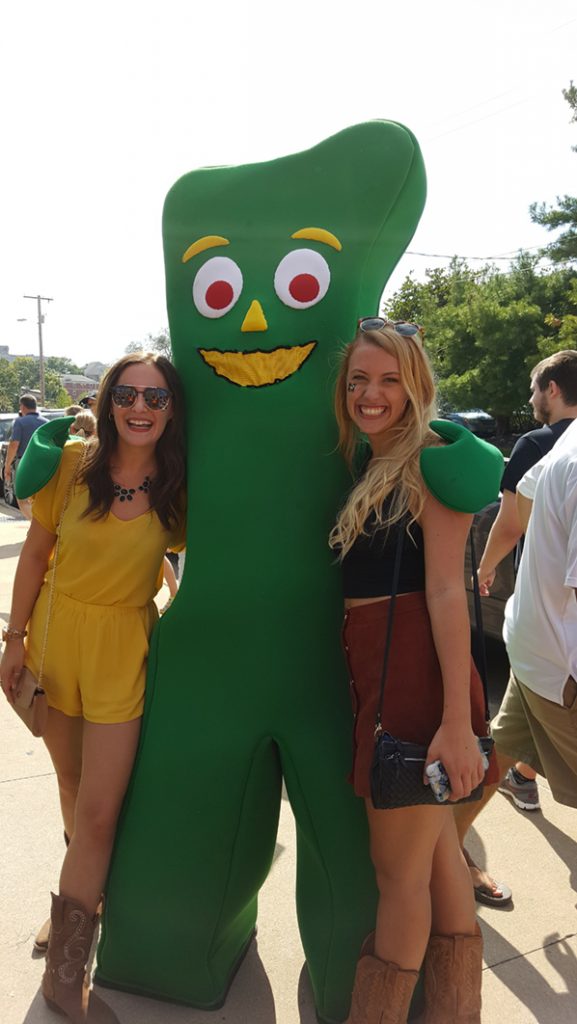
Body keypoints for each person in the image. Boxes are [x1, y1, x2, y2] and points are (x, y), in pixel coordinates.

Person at [0, 353, 186, 1024]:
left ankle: (65, 975)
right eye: (128, 393)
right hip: (55, 643)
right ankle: (82, 902)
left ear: (171, 409)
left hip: (122, 652)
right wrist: (13, 638)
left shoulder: (179, 486)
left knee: (101, 811)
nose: (141, 406)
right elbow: (36, 554)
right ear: (109, 402)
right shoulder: (73, 465)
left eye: (156, 397)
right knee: (72, 786)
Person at [329, 320, 497, 1024]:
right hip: (383, 667)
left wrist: (455, 723)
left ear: (415, 384)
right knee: (436, 863)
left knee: (397, 876)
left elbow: (445, 593)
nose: (370, 393)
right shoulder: (376, 459)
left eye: (389, 379)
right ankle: (453, 1014)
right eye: (358, 380)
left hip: (414, 678)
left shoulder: (426, 460)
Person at [456, 349, 577, 906]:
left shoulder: (545, 450)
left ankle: (438, 851)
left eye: (535, 390)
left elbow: (510, 519)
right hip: (557, 650)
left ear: (551, 388)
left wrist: (483, 570)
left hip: (531, 632)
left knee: (502, 747)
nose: (531, 401)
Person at [4, 394, 48, 519]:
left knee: (22, 498)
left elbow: (14, 445)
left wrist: (7, 466)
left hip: (24, 462)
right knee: (40, 497)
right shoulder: (46, 422)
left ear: (22, 407)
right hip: (43, 464)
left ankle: (34, 523)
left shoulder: (20, 422)